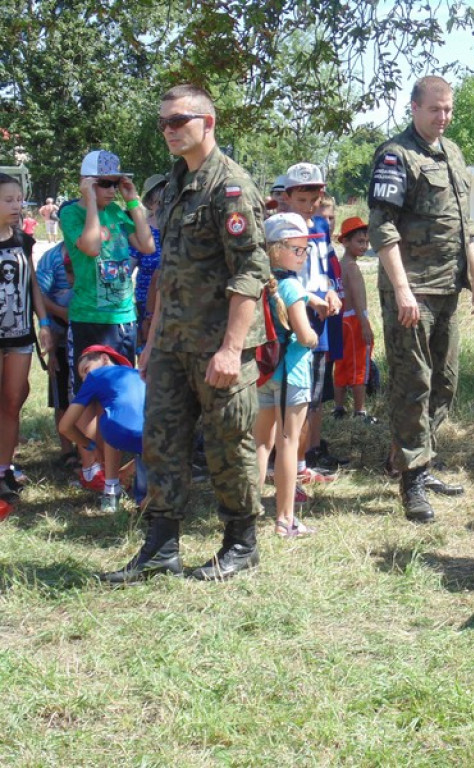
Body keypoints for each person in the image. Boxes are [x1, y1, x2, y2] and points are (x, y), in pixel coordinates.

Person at [99, 84, 270, 584]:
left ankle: (241, 543)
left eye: (180, 120)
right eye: (164, 123)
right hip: (173, 343)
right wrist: (152, 343)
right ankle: (161, 547)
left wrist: (231, 349)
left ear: (208, 123)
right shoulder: (174, 185)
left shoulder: (230, 186)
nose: (170, 130)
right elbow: (168, 268)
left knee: (228, 446)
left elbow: (250, 274)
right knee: (162, 442)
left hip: (219, 347)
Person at [368, 75, 474, 523]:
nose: (444, 117)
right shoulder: (396, 156)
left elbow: (464, 224)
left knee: (446, 381)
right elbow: (383, 227)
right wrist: (401, 289)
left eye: (449, 110)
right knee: (412, 383)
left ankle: (413, 457)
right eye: (435, 109)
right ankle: (412, 479)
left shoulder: (452, 153)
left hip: (447, 287)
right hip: (412, 290)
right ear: (414, 108)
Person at [59, 149, 155, 492]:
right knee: (89, 396)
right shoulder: (71, 213)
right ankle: (90, 466)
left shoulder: (118, 210)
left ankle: (112, 472)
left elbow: (145, 246)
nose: (111, 190)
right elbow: (91, 247)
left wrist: (133, 202)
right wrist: (89, 203)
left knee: (117, 395)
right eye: (104, 184)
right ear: (86, 184)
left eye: (116, 182)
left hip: (123, 317)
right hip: (90, 318)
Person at [253, 213, 320, 537]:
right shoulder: (291, 286)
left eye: (305, 249)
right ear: (276, 249)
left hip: (263, 374)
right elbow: (304, 334)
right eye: (298, 249)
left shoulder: (261, 283)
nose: (303, 255)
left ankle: (247, 513)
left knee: (260, 444)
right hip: (291, 374)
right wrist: (314, 339)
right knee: (288, 444)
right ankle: (285, 520)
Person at [280, 162, 344, 477]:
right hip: (295, 315)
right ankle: (288, 460)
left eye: (314, 198)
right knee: (293, 392)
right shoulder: (282, 228)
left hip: (322, 317)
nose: (309, 206)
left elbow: (325, 272)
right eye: (301, 200)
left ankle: (306, 459)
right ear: (287, 197)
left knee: (315, 391)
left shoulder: (321, 226)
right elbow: (281, 276)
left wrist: (331, 292)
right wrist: (311, 298)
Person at [0, 173, 53, 500]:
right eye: (8, 200)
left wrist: (44, 322)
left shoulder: (23, 240)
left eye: (19, 199)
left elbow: (32, 284)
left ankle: (4, 470)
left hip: (20, 336)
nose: (17, 206)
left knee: (12, 403)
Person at [59, 345, 146, 514]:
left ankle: (111, 490)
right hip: (156, 437)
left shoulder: (95, 376)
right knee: (148, 501)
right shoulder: (138, 374)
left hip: (118, 432)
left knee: (110, 412)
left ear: (105, 358)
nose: (85, 379)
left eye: (86, 370)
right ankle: (146, 497)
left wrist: (91, 446)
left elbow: (64, 426)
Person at [35, 242, 77, 467]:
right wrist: (62, 314)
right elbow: (38, 295)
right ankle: (67, 451)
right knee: (61, 395)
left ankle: (89, 448)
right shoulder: (51, 258)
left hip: (87, 332)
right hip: (59, 334)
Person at [333, 216, 376, 421]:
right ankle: (360, 411)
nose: (364, 246)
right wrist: (365, 324)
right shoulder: (352, 267)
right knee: (360, 365)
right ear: (345, 241)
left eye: (366, 242)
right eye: (360, 241)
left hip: (340, 321)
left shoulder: (339, 264)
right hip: (354, 322)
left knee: (341, 365)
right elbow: (359, 299)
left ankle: (338, 408)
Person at [130, 174, 167, 348]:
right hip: (146, 307)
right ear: (150, 202)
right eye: (158, 201)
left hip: (173, 305)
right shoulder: (142, 229)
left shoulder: (179, 227)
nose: (163, 206)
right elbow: (127, 268)